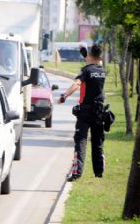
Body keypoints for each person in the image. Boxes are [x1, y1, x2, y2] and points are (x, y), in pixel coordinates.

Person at [58, 44, 106, 182]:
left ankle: (77, 172)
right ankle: (99, 172)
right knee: (97, 143)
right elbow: (95, 61)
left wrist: (64, 96)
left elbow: (77, 84)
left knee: (81, 141)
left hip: (85, 112)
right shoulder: (102, 71)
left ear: (90, 56)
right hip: (98, 112)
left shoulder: (86, 71)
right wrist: (86, 54)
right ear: (100, 56)